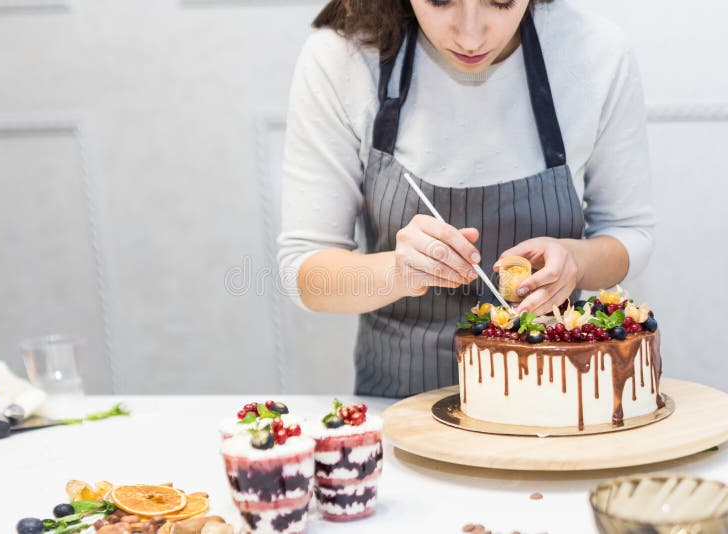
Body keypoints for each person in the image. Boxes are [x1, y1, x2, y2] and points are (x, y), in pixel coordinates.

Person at [278, 0, 655, 397]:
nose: (471, 36)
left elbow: (629, 231)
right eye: (440, 0)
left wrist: (576, 261)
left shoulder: (595, 52)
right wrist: (398, 272)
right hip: (398, 407)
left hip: (554, 406)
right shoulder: (342, 57)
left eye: (501, 1)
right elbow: (302, 270)